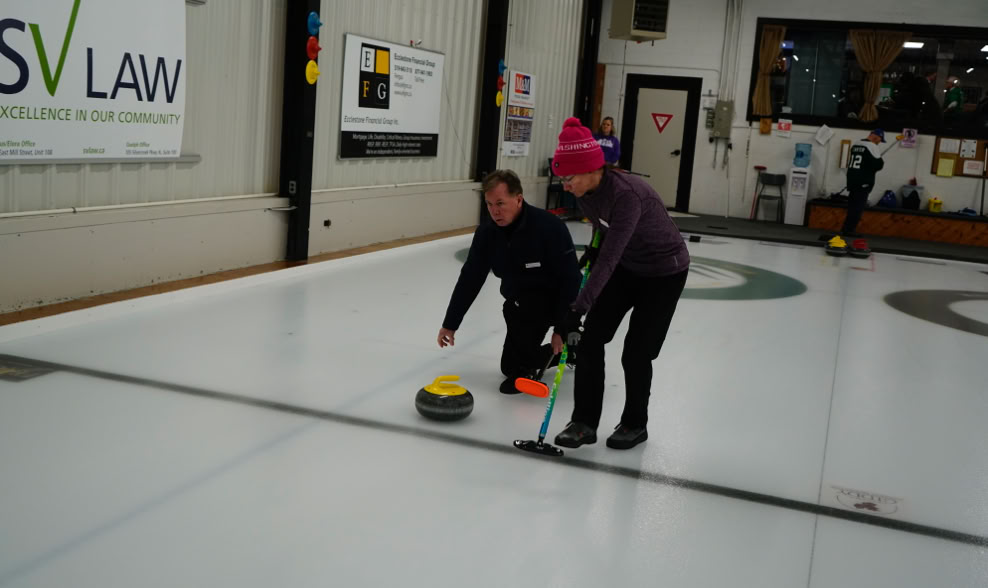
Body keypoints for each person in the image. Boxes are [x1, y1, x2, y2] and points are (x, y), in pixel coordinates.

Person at [549, 117, 690, 450]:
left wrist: (577, 307)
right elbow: (603, 228)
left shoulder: (628, 196)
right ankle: (584, 422)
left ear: (593, 170)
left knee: (636, 353)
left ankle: (634, 424)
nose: (565, 185)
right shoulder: (584, 192)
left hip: (664, 273)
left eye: (569, 178)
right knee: (590, 340)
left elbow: (611, 256)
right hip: (630, 267)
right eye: (562, 179)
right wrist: (592, 249)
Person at [437, 169, 582, 395]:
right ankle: (572, 350)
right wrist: (450, 323)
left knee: (518, 369)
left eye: (500, 203)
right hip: (517, 304)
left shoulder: (549, 227)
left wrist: (562, 327)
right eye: (489, 204)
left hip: (552, 301)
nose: (495, 211)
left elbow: (572, 279)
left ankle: (568, 341)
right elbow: (470, 278)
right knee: (509, 367)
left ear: (519, 199)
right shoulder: (487, 233)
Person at [841, 129, 886, 237]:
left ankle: (846, 228)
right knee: (858, 207)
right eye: (879, 140)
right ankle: (849, 230)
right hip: (863, 182)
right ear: (876, 137)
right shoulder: (872, 147)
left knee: (852, 206)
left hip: (852, 180)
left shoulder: (856, 144)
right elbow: (878, 165)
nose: (879, 143)